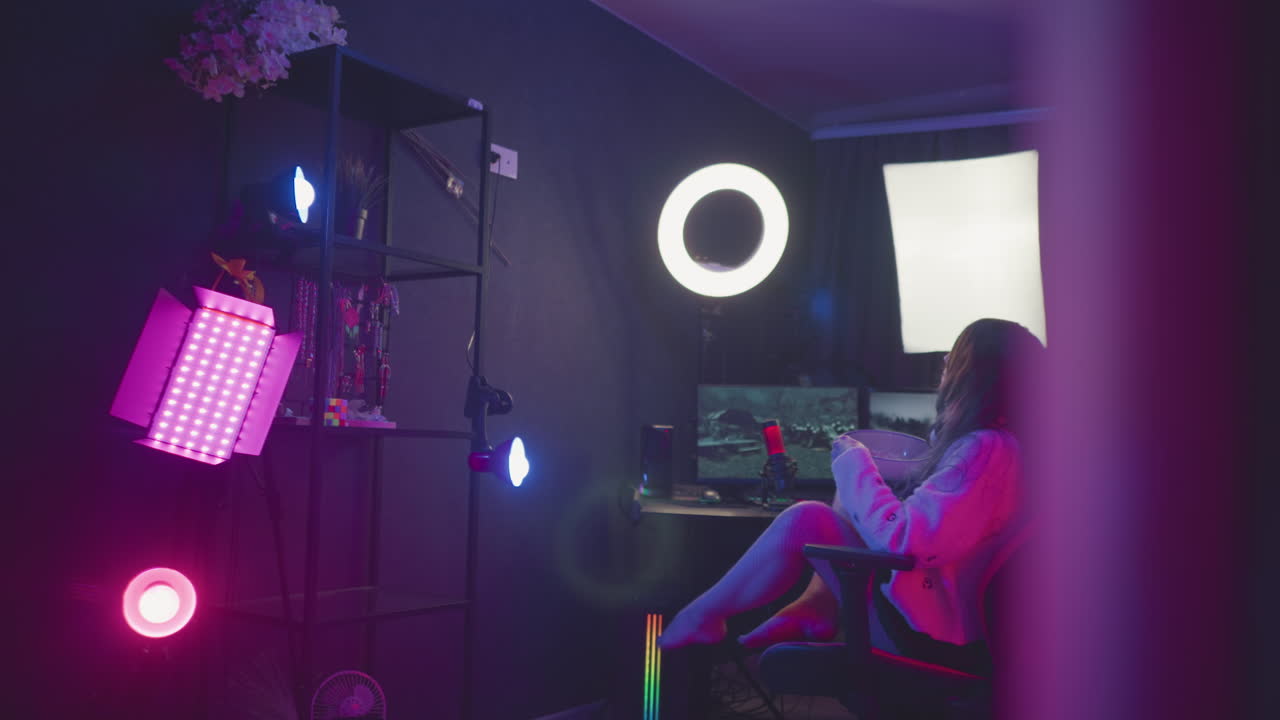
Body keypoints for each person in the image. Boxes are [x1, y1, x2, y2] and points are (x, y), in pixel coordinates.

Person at [657, 318, 1043, 674]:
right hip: (931, 624)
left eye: (953, 357)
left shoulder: (988, 449)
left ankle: (706, 615)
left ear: (973, 374)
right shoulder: (998, 449)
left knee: (805, 519)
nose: (944, 364)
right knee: (822, 514)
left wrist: (855, 462)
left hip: (930, 640)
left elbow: (907, 542)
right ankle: (813, 607)